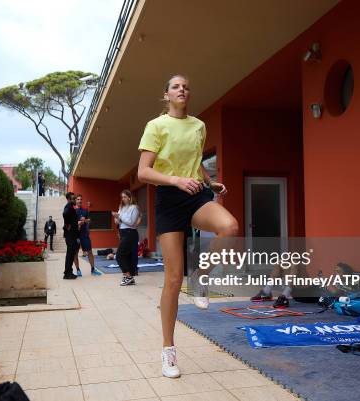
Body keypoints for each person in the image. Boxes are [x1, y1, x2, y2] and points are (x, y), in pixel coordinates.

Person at [137, 74, 238, 378]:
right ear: (166, 94)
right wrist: (174, 180)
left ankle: (201, 275)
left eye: (186, 87)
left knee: (229, 227)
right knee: (171, 280)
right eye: (175, 86)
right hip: (169, 199)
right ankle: (168, 351)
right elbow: (143, 172)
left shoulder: (198, 126)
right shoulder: (156, 126)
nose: (182, 89)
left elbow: (194, 163)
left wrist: (209, 181)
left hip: (195, 193)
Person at [112, 190, 140, 286]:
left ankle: (128, 276)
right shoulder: (122, 207)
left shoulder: (134, 208)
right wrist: (116, 218)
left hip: (130, 233)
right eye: (122, 197)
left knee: (119, 255)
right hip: (123, 232)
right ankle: (128, 277)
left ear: (129, 197)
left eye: (124, 197)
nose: (123, 199)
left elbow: (131, 222)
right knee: (126, 256)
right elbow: (120, 222)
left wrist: (119, 217)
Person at [73, 194, 102, 276]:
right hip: (76, 235)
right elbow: (71, 223)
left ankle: (93, 269)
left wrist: (85, 220)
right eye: (78, 199)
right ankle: (78, 270)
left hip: (84, 234)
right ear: (75, 200)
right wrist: (78, 223)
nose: (80, 200)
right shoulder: (73, 210)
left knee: (89, 252)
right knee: (75, 253)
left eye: (81, 199)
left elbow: (89, 220)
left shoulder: (85, 210)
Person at [62, 192, 80, 280]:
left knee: (71, 253)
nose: (74, 200)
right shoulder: (68, 206)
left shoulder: (71, 207)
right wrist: (67, 224)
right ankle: (67, 273)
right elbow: (64, 214)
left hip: (72, 235)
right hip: (70, 235)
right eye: (73, 199)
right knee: (70, 254)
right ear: (69, 199)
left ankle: (69, 272)